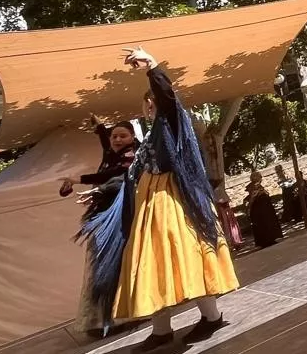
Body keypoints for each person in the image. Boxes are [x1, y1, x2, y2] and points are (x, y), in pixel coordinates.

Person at [76, 48, 237, 350]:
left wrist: (152, 67)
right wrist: (98, 191)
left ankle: (212, 317)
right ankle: (161, 329)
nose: (149, 106)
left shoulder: (171, 125)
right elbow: (127, 175)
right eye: (146, 103)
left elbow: (169, 102)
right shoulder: (149, 139)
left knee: (187, 256)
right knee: (150, 264)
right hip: (149, 205)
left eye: (152, 100)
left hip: (172, 201)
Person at [62, 116, 138, 337]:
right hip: (105, 215)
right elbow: (106, 143)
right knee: (101, 266)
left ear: (132, 137)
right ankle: (103, 319)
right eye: (115, 136)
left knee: (114, 265)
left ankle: (122, 317)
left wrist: (80, 179)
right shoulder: (113, 153)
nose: (117, 139)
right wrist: (100, 128)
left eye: (122, 136)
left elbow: (113, 176)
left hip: (119, 218)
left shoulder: (131, 156)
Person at [245, 169, 283, 249]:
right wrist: (249, 209)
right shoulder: (255, 186)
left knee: (266, 223)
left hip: (264, 208)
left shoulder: (257, 186)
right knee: (263, 224)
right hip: (260, 209)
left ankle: (270, 239)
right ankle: (266, 241)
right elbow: (253, 197)